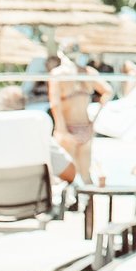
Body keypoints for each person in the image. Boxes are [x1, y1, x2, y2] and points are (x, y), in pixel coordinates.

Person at [48, 47, 111, 183]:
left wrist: (62, 130)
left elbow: (55, 104)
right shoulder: (88, 73)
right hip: (85, 127)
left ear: (61, 54)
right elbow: (108, 91)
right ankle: (91, 203)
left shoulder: (58, 74)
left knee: (64, 179)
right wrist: (93, 122)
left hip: (66, 128)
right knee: (86, 177)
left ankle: (71, 204)